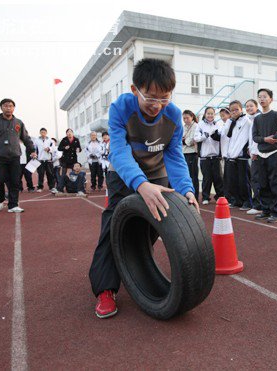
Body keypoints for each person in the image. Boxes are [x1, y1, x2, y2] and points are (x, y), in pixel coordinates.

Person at [88, 58, 198, 318]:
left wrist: (187, 189)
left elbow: (174, 156)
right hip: (124, 173)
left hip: (156, 172)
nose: (157, 105)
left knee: (151, 225)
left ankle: (135, 270)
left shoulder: (173, 115)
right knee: (113, 225)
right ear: (134, 90)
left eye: (165, 98)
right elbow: (120, 151)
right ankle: (105, 288)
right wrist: (140, 184)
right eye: (150, 97)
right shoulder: (120, 109)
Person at [252, 88, 277, 223]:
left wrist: (275, 137)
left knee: (274, 184)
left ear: (271, 99)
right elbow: (255, 137)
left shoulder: (276, 115)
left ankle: (276, 213)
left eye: (264, 96)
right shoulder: (257, 119)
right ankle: (266, 210)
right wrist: (265, 139)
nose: (262, 99)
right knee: (262, 184)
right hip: (261, 154)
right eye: (259, 97)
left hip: (274, 153)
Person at [225, 100, 253, 210]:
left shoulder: (246, 121)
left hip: (242, 156)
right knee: (234, 180)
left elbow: (245, 138)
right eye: (232, 110)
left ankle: (247, 201)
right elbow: (227, 135)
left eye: (236, 109)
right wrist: (230, 121)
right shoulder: (232, 122)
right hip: (232, 156)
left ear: (241, 109)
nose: (234, 112)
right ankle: (237, 200)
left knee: (244, 181)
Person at [194, 106, 224, 205]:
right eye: (208, 113)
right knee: (207, 178)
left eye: (212, 113)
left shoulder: (218, 124)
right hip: (204, 157)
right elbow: (196, 138)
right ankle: (205, 197)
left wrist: (217, 135)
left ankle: (220, 196)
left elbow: (222, 135)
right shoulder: (200, 125)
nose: (210, 115)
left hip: (215, 156)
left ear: (214, 115)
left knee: (218, 178)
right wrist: (204, 136)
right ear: (205, 114)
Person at [245, 99, 262, 215]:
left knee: (257, 180)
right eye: (247, 106)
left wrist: (254, 151)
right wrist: (249, 148)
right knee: (255, 179)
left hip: (259, 154)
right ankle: (259, 204)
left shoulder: (258, 118)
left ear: (256, 106)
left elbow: (258, 137)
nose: (249, 108)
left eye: (251, 106)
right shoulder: (251, 119)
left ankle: (258, 205)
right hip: (254, 153)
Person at [182, 110, 200, 202]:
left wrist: (184, 140)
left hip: (192, 153)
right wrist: (184, 140)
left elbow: (190, 141)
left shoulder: (196, 126)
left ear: (192, 117)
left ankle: (195, 196)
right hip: (184, 153)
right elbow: (179, 140)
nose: (185, 120)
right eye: (184, 118)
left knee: (193, 176)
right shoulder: (184, 127)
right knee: (185, 175)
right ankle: (187, 194)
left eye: (187, 118)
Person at [218, 108, 234, 205]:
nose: (222, 118)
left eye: (224, 115)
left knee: (229, 178)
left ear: (229, 114)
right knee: (226, 177)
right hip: (225, 155)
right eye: (221, 116)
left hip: (230, 154)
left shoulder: (230, 123)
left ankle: (231, 198)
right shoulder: (224, 125)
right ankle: (228, 197)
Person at [34, 127, 56, 193]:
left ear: (46, 133)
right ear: (40, 133)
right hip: (40, 160)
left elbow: (53, 148)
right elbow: (34, 149)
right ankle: (40, 187)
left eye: (44, 132)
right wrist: (34, 155)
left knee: (50, 174)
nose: (43, 134)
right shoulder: (36, 140)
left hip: (48, 160)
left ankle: (51, 187)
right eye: (42, 132)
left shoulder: (50, 140)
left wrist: (49, 149)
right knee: (40, 174)